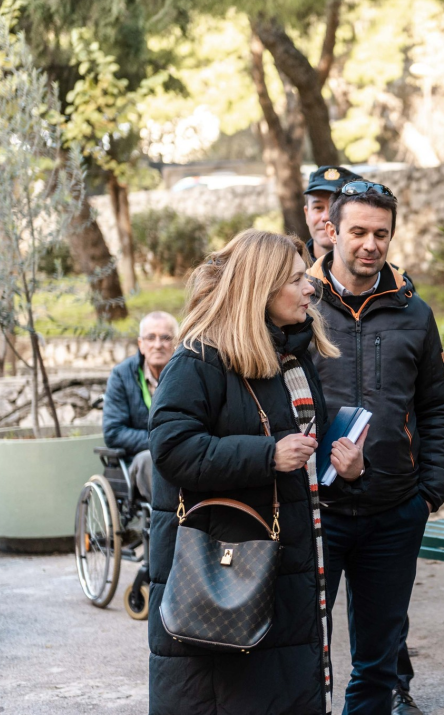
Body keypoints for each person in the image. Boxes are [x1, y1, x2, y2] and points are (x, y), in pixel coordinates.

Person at [147, 230, 366, 715]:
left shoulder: (291, 357)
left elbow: (302, 452)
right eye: (295, 280)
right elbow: (172, 450)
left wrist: (345, 467)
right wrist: (266, 455)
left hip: (287, 569)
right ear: (259, 288)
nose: (311, 288)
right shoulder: (197, 359)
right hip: (223, 576)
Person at [307, 181, 444, 714]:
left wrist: (430, 489)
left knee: (377, 662)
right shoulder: (297, 305)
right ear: (331, 231)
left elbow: (436, 405)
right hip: (317, 514)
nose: (370, 244)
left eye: (381, 234)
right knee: (302, 652)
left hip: (394, 511)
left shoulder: (415, 313)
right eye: (359, 232)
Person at [102, 311, 178, 501]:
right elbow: (114, 432)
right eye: (151, 337)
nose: (158, 345)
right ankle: (173, 521)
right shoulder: (121, 375)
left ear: (176, 343)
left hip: (181, 452)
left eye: (165, 338)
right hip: (139, 457)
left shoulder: (187, 374)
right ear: (141, 344)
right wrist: (159, 442)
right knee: (149, 461)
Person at [304, 165, 363, 261]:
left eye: (335, 207)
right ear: (307, 214)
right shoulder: (289, 272)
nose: (326, 216)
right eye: (318, 208)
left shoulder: (386, 274)